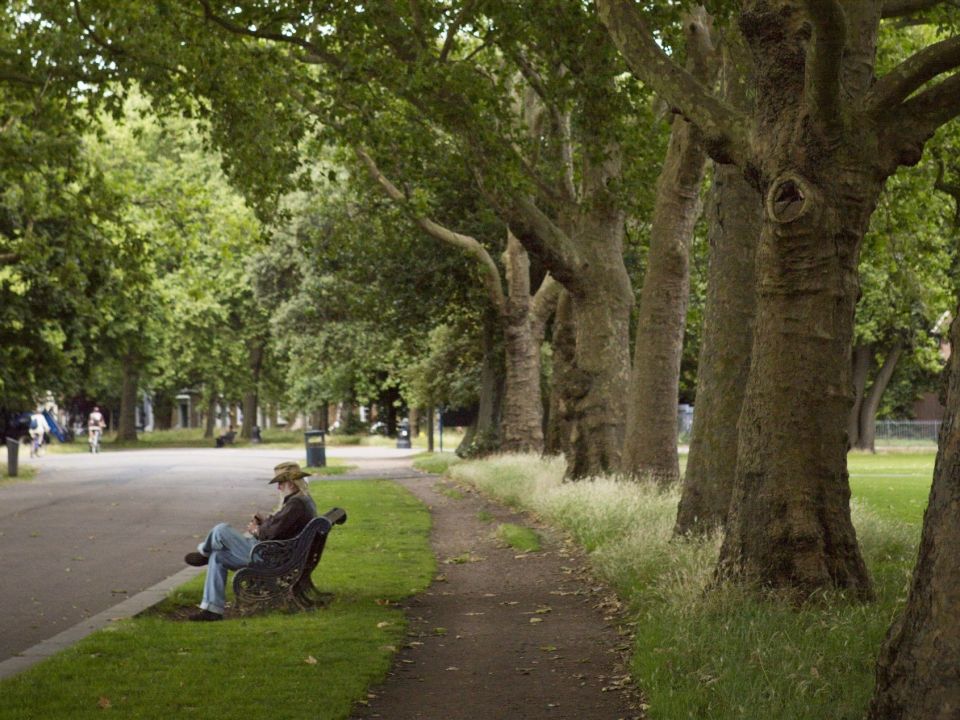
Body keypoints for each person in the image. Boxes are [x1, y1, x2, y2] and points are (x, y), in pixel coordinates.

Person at [183, 462, 316, 621]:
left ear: (290, 482)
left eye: (280, 483)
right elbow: (281, 528)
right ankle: (212, 610)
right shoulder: (301, 501)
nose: (278, 487)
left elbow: (270, 534)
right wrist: (265, 521)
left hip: (267, 555)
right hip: (277, 553)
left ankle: (204, 551)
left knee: (221, 529)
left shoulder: (296, 504)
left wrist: (256, 530)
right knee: (218, 557)